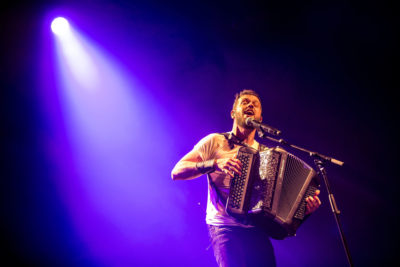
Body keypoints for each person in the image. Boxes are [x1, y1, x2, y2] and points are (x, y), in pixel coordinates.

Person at [171, 89, 321, 267]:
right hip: (224, 227)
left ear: (260, 118)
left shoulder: (266, 155)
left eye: (255, 104)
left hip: (255, 229)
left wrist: (302, 210)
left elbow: (280, 204)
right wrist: (215, 163)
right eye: (245, 102)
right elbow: (177, 171)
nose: (250, 105)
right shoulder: (215, 141)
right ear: (233, 113)